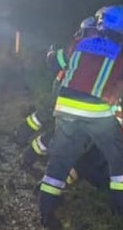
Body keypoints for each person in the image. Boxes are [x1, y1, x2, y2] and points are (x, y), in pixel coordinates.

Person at [38, 5, 123, 229]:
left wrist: (50, 53)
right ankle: (121, 210)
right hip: (96, 114)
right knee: (119, 157)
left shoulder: (79, 43)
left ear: (100, 22)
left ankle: (46, 213)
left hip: (66, 109)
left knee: (59, 161)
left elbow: (54, 62)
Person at [17, 16, 99, 167]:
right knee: (55, 120)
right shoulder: (98, 48)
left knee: (50, 116)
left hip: (67, 88)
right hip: (72, 92)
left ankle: (26, 144)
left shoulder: (79, 45)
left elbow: (55, 61)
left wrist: (54, 53)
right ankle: (27, 145)